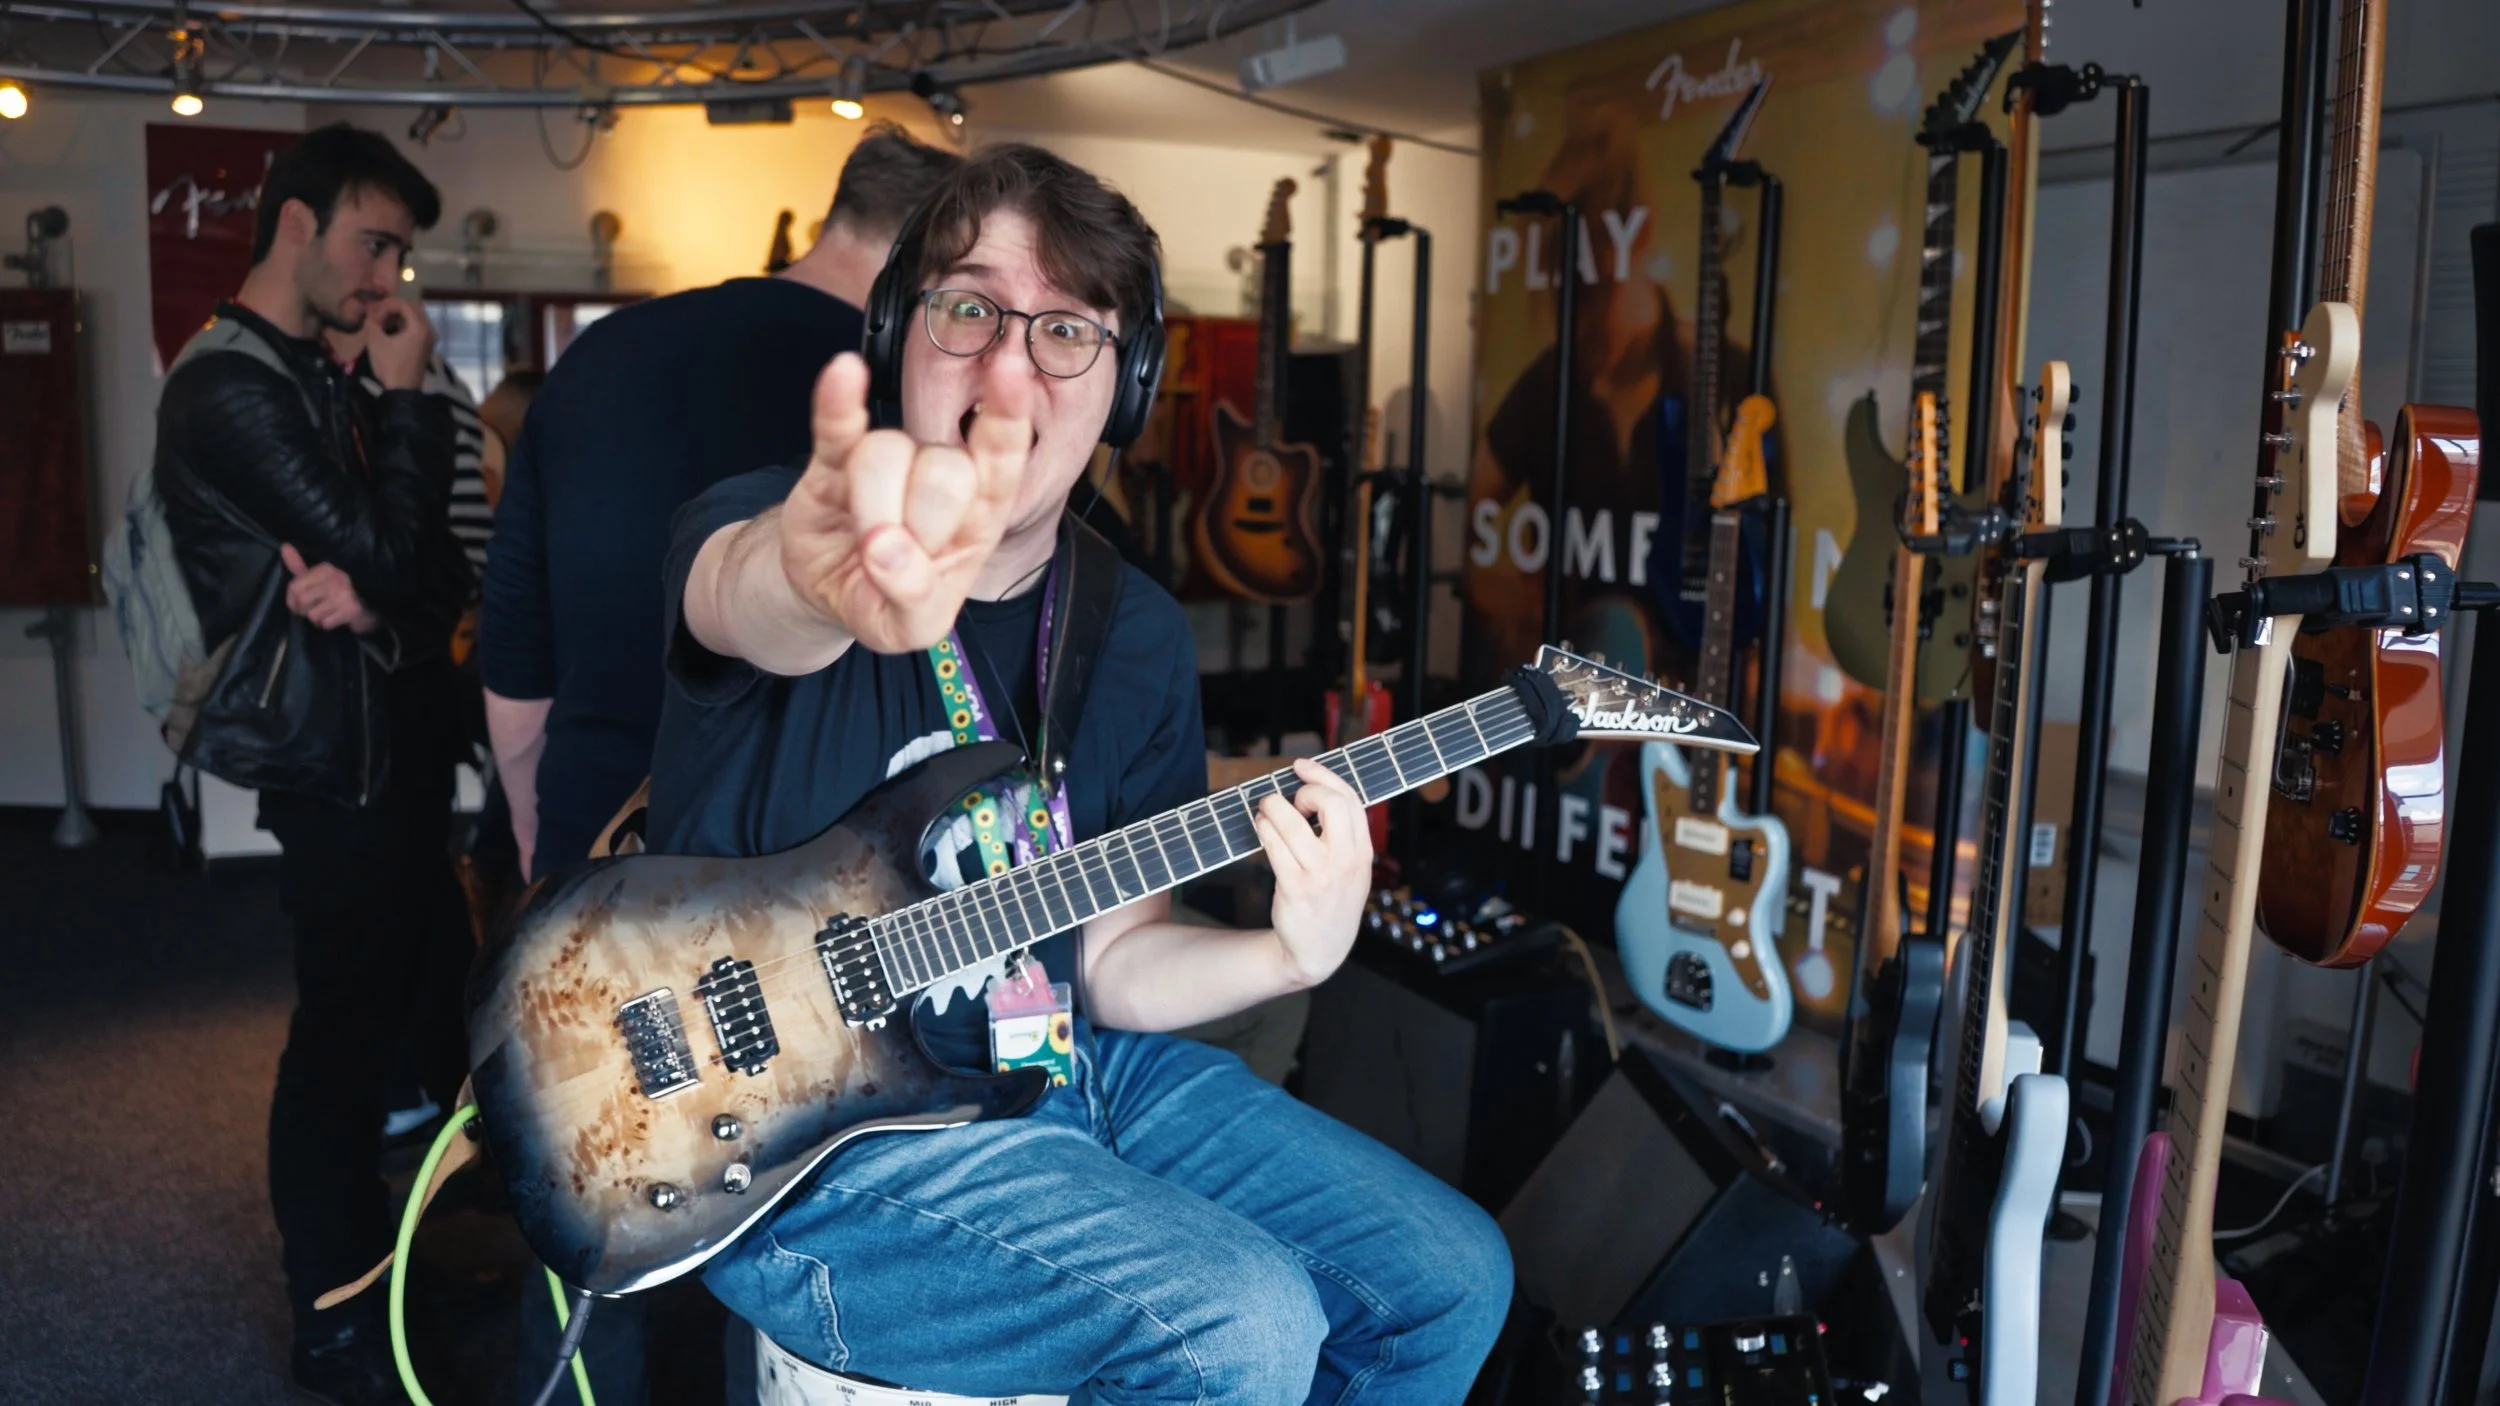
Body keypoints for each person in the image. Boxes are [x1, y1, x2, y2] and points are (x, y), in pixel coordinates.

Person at [649, 143, 1510, 1401]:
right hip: (811, 1151)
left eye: (1065, 330)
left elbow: (1110, 958)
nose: (1007, 366)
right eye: (968, 309)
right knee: (1242, 1323)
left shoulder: (1136, 629)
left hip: (1057, 1064)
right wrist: (814, 574)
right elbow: (743, 596)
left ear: (1123, 386)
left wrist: (1292, 956)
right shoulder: (776, 524)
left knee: (1449, 1276)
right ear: (899, 336)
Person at [151, 122, 470, 1406]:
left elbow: (429, 569)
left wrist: (386, 594)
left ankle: (382, 1265)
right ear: (298, 222)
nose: (389, 273)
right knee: (342, 1034)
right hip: (325, 767)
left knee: (422, 1006)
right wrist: (402, 406)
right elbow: (398, 556)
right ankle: (329, 1313)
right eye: (373, 240)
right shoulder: (229, 388)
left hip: (386, 752)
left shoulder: (315, 372)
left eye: (399, 248)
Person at [480, 120, 961, 884]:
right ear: (935, 266)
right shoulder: (906, 404)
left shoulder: (597, 355)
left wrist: (536, 829)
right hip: (798, 902)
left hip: (594, 848)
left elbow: (515, 655)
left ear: (836, 221)